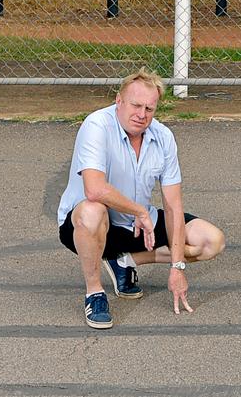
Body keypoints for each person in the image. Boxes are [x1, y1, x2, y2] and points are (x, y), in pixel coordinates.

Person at [58, 68, 225, 329]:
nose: (141, 115)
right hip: (89, 226)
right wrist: (140, 211)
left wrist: (178, 266)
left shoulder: (163, 137)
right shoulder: (96, 125)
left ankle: (123, 260)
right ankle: (95, 293)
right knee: (92, 210)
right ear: (119, 101)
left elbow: (173, 205)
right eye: (136, 105)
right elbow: (94, 189)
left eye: (149, 108)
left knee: (211, 241)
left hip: (136, 227)